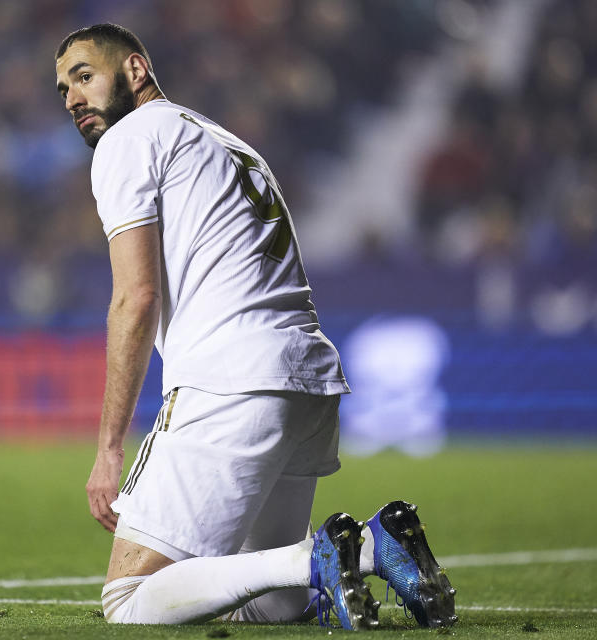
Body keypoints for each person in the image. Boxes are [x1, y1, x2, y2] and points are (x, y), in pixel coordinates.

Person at [54, 23, 456, 630]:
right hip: (305, 381)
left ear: (135, 70)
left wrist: (109, 450)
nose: (73, 98)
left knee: (130, 599)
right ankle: (374, 547)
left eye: (84, 76)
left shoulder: (129, 139)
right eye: (62, 88)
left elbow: (136, 298)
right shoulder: (224, 141)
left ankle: (312, 559)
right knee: (269, 606)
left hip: (229, 380)